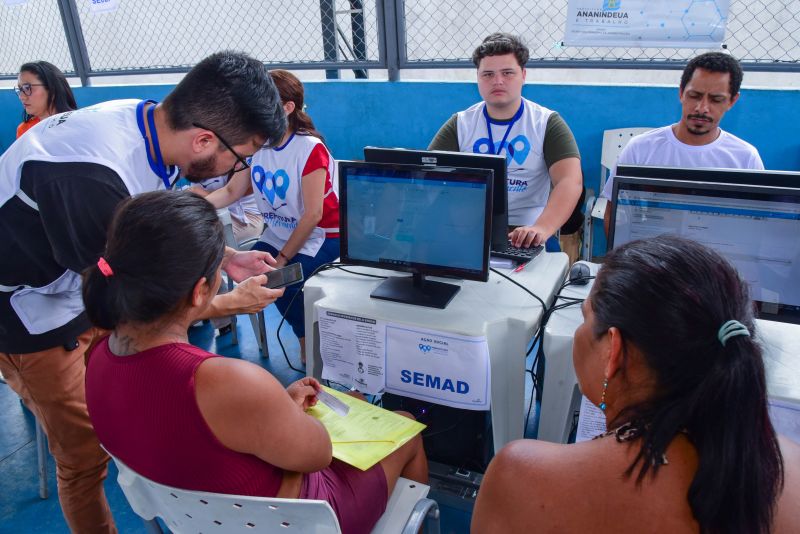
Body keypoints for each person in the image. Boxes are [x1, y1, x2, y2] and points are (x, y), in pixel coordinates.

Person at [0, 51, 286, 533]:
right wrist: (227, 304)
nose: (237, 171)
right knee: (83, 457)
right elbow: (132, 309)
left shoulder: (154, 124)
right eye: (241, 159)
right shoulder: (89, 179)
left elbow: (157, 228)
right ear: (203, 139)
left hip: (84, 284)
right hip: (31, 315)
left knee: (129, 412)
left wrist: (226, 259)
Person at [83, 191, 428, 534]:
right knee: (404, 426)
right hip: (297, 521)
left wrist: (276, 407)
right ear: (201, 291)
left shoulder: (97, 360)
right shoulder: (223, 382)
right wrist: (285, 410)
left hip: (195, 522)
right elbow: (319, 454)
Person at [471, 235, 799, 533]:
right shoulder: (789, 467)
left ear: (613, 350)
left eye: (585, 318)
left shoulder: (521, 478)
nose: (579, 333)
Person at [207, 69, 340, 364]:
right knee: (259, 274)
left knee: (283, 278)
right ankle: (304, 335)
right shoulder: (258, 147)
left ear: (287, 107)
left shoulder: (309, 149)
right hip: (279, 233)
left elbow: (313, 215)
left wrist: (281, 258)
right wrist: (195, 204)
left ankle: (310, 346)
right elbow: (231, 191)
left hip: (324, 236)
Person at [428, 32, 583, 255]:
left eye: (507, 73)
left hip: (527, 231)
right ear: (478, 78)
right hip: (469, 229)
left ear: (523, 75)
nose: (497, 81)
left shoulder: (546, 122)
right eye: (488, 74)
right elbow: (427, 175)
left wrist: (542, 227)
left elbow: (570, 181)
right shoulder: (460, 123)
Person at [601, 52, 764, 235]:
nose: (702, 108)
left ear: (732, 101)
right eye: (694, 95)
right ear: (681, 93)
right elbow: (614, 214)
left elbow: (754, 227)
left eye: (716, 100)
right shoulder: (640, 148)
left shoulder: (745, 158)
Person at [15, 60, 77, 138]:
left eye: (27, 88)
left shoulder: (77, 124)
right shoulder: (25, 130)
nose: (21, 97)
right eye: (20, 89)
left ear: (52, 89)